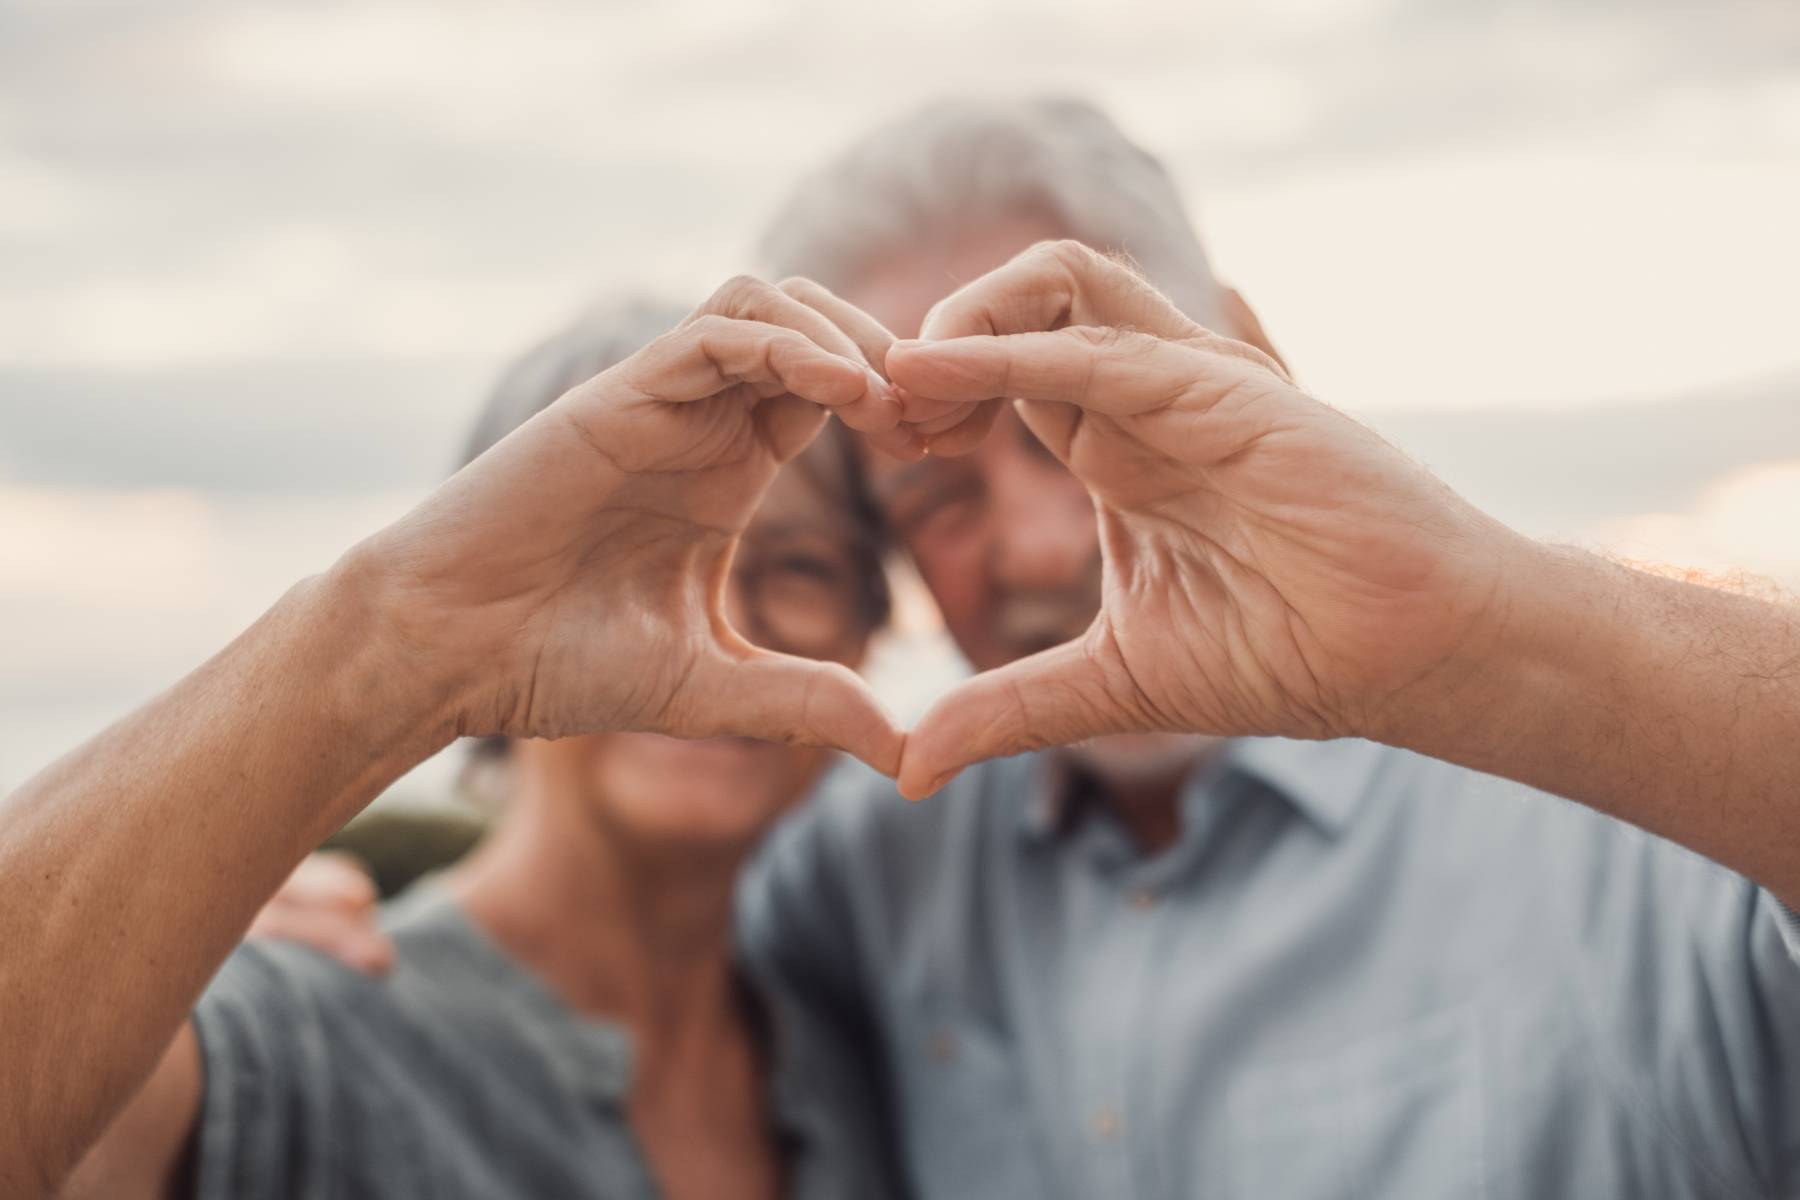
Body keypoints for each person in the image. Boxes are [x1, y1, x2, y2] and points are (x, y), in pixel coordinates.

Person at [734, 97, 1800, 1198]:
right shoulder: (865, 873)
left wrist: (1484, 626)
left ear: (1247, 357)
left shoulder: (1620, 809)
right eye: (936, 495)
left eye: (1070, 427)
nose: (1043, 553)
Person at [3, 285, 914, 1199]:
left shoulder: (874, 1054)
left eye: (803, 567)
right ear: (500, 609)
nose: (718, 624)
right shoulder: (304, 1027)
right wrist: (383, 644)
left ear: (869, 630)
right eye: (632, 558)